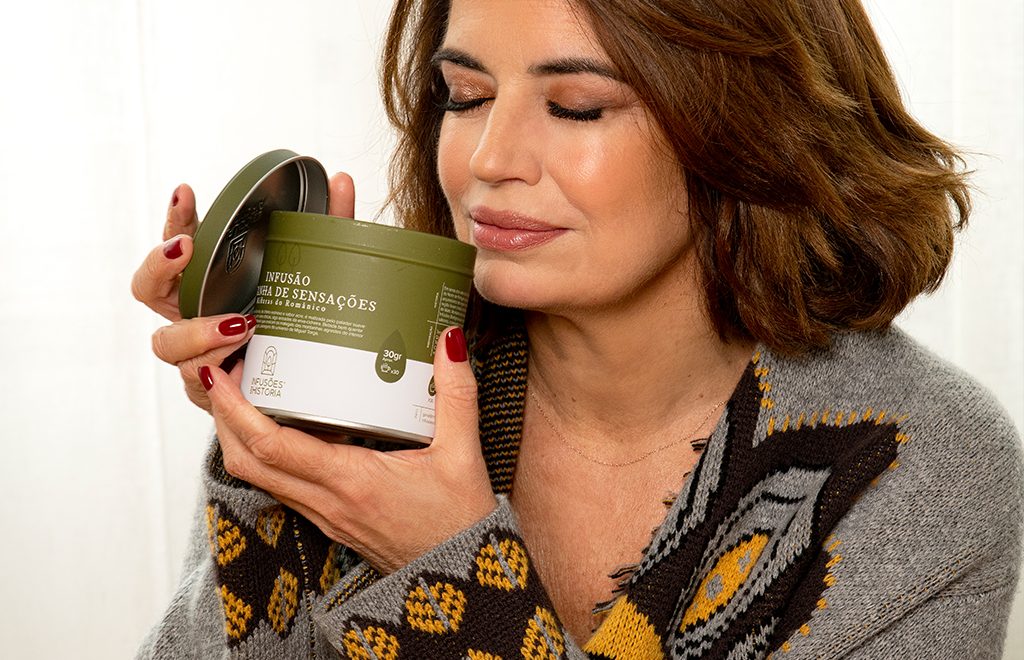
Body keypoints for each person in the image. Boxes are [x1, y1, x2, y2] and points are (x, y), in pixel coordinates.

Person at [133, 0, 1023, 658]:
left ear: (752, 127)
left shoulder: (920, 464)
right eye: (464, 95)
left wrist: (444, 567)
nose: (488, 159)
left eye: (577, 108)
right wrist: (279, 446)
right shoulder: (386, 375)